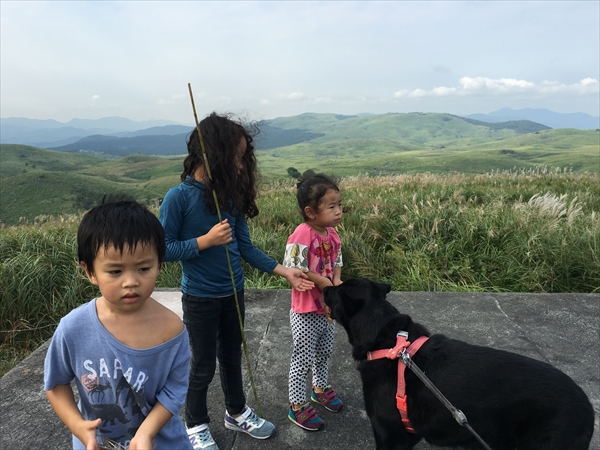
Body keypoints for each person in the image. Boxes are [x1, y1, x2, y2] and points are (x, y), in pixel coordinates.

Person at [158, 112, 313, 450]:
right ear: (214, 153)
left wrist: (283, 270)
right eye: (237, 156)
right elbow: (163, 249)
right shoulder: (178, 198)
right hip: (200, 298)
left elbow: (245, 247)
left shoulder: (230, 198)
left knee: (231, 357)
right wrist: (204, 241)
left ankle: (237, 412)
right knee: (201, 365)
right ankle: (195, 424)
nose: (242, 166)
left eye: (244, 157)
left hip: (234, 292)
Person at [44, 199, 192, 450]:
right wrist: (78, 426)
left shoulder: (172, 329)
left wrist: (146, 433)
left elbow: (174, 391)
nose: (131, 281)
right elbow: (56, 384)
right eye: (115, 271)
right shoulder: (73, 328)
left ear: (159, 265)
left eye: (143, 268)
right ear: (90, 271)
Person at [283, 174, 344, 431]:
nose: (338, 211)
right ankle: (297, 405)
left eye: (339, 204)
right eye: (331, 206)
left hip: (326, 309)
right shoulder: (302, 233)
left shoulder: (332, 234)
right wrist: (323, 282)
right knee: (302, 358)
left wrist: (336, 280)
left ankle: (319, 389)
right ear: (310, 212)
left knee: (324, 352)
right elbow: (293, 267)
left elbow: (337, 260)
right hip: (306, 311)